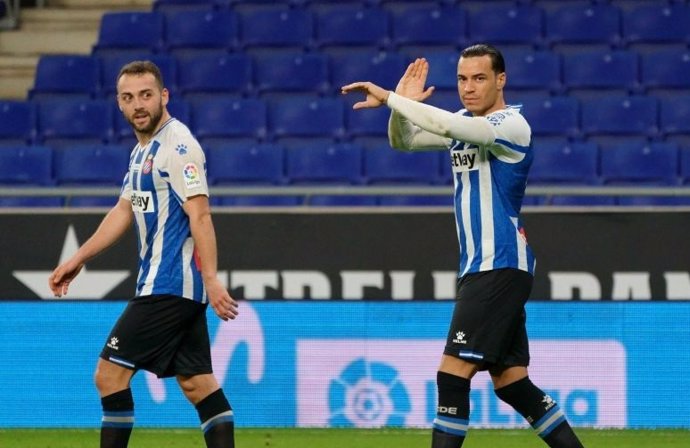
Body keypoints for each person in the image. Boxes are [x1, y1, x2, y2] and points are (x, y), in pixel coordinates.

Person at [342, 44, 585, 448]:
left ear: (500, 80)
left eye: (479, 78)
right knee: (512, 383)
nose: (468, 89)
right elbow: (405, 143)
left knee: (452, 374)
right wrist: (401, 108)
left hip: (499, 263)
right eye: (461, 79)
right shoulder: (460, 119)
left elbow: (456, 130)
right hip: (483, 266)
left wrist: (392, 98)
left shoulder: (512, 124)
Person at [48, 61, 239, 448]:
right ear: (119, 104)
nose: (138, 104)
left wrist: (213, 279)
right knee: (198, 383)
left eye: (146, 95)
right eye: (128, 97)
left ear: (163, 96)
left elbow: (200, 214)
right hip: (170, 288)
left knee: (108, 375)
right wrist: (77, 259)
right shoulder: (140, 153)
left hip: (168, 287)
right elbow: (123, 210)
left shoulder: (178, 146)